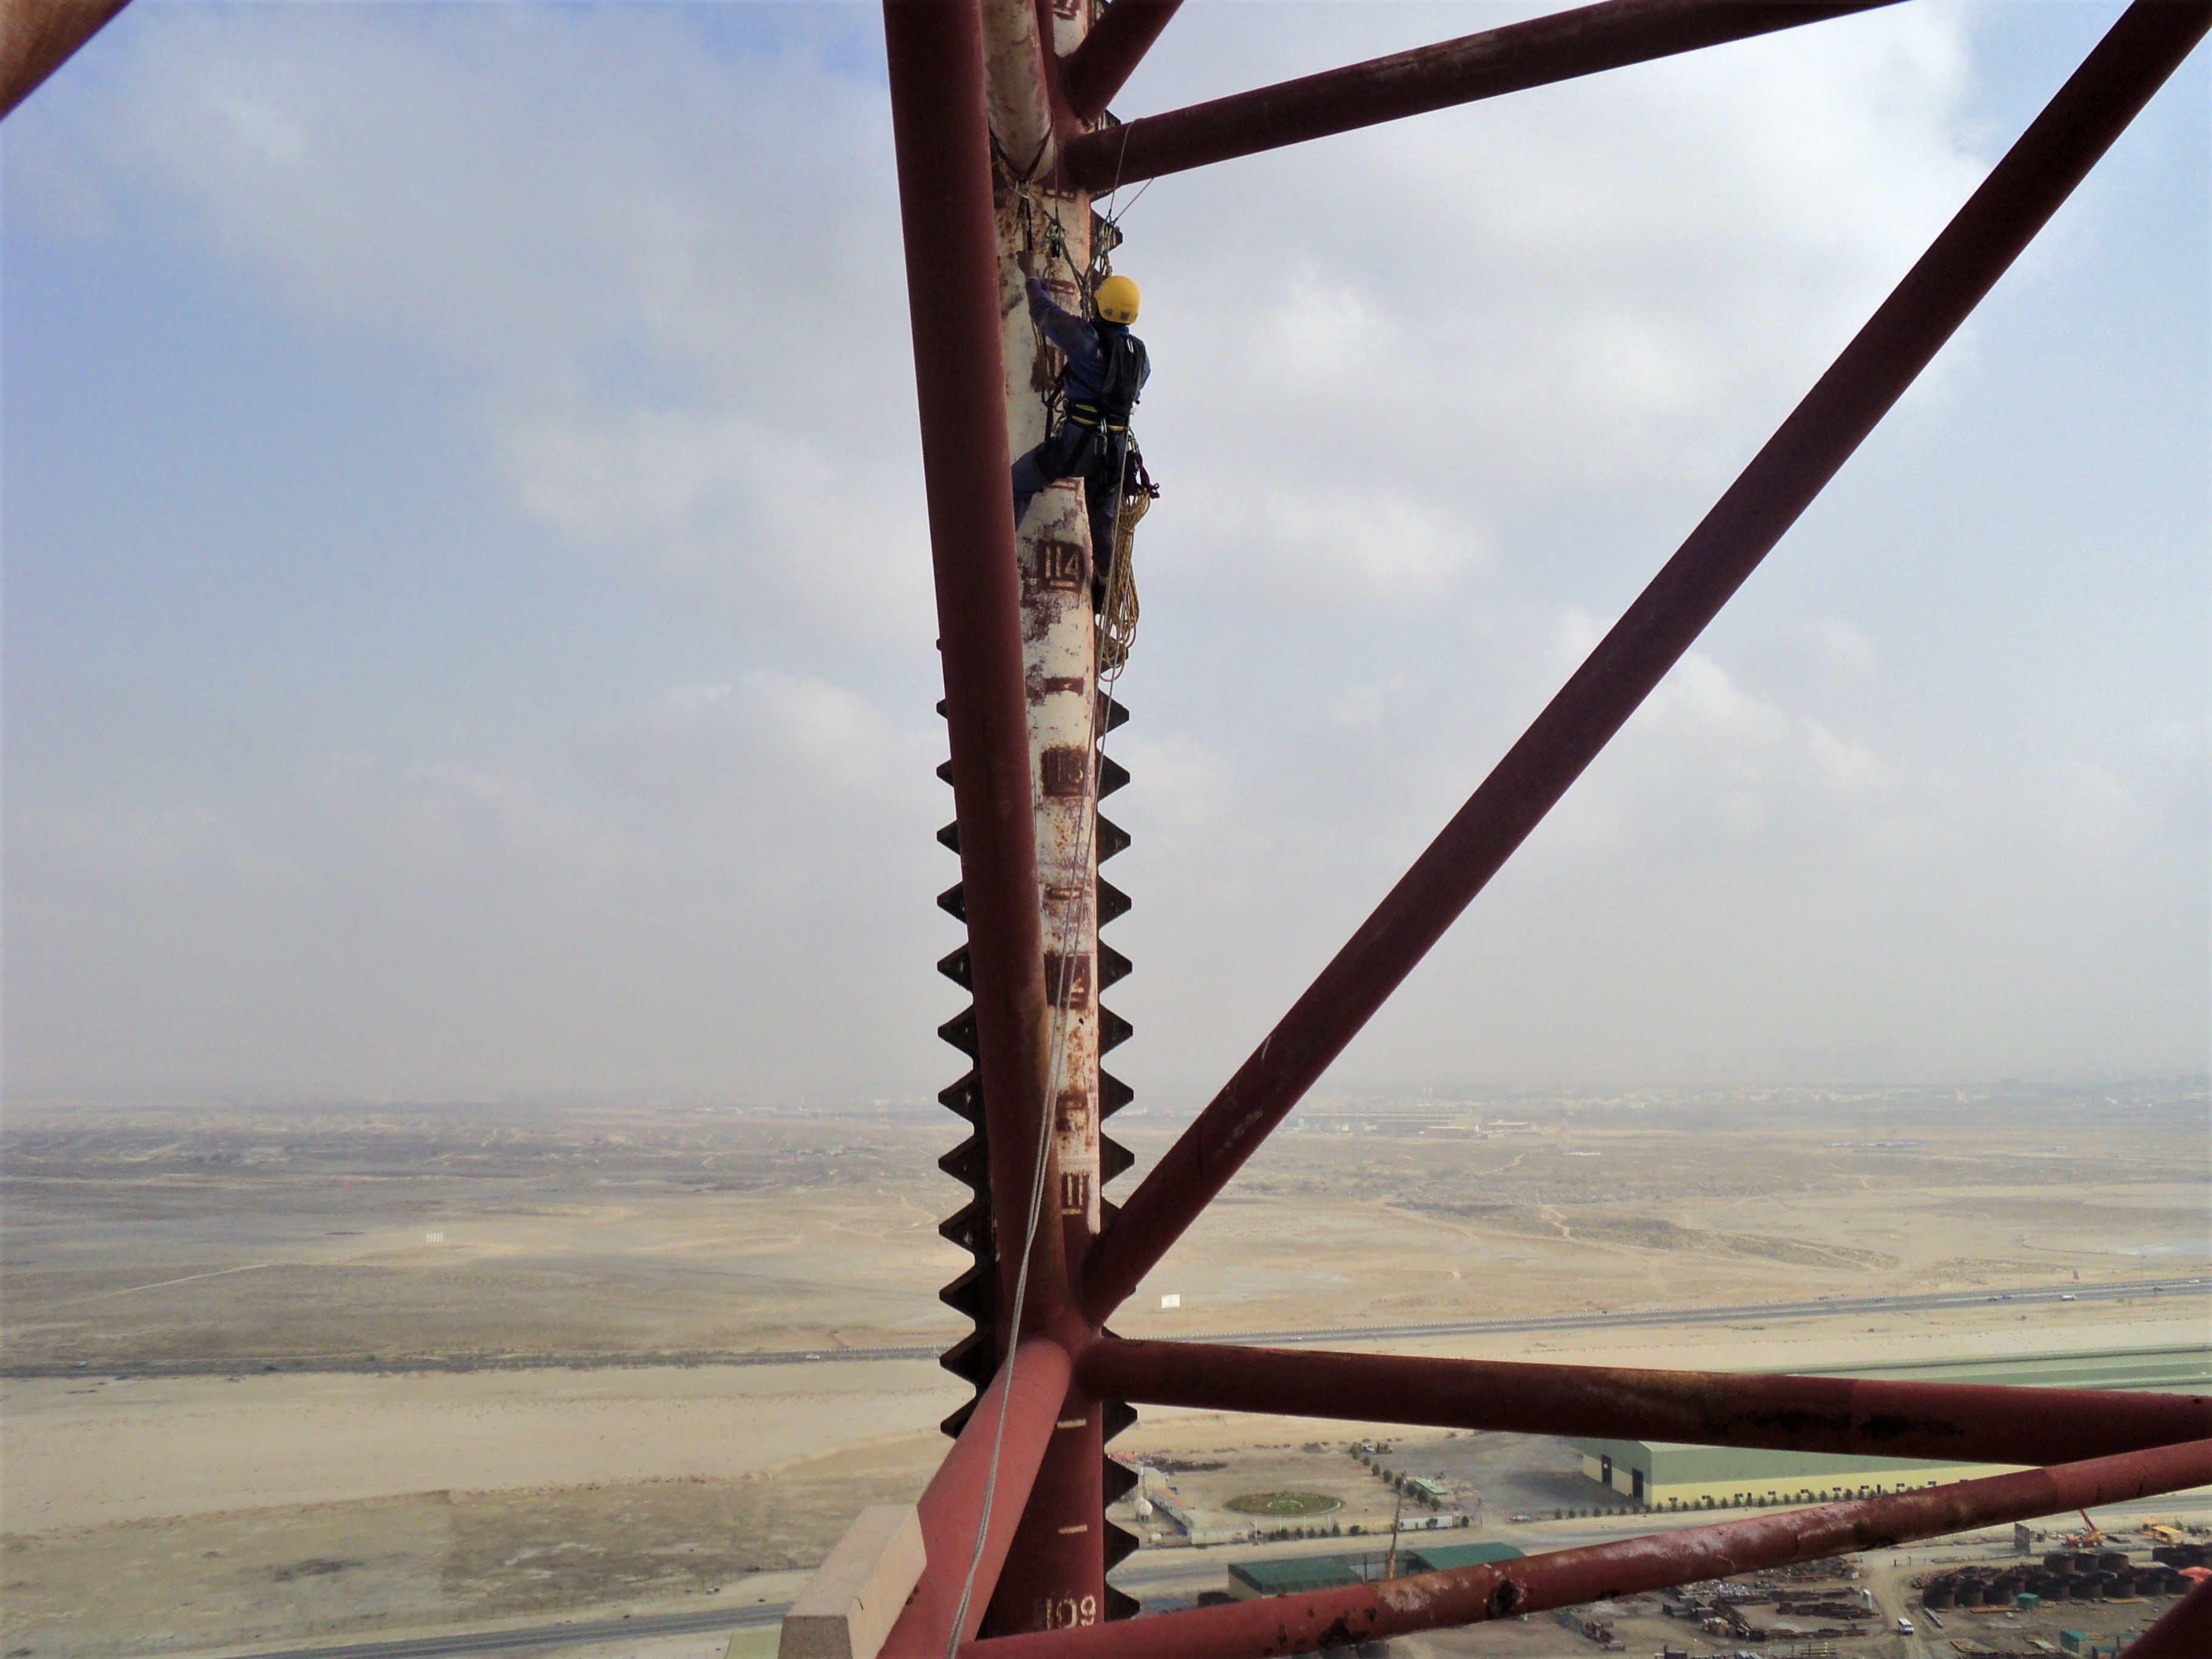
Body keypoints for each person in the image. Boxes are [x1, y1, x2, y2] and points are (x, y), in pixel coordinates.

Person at [1009, 272, 1148, 605]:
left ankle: (996, 553)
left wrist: (1033, 281)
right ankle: (1103, 581)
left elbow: (1045, 314)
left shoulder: (1086, 340)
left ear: (1101, 304)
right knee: (1104, 520)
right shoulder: (1140, 356)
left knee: (1017, 483)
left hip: (1078, 443)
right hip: (1115, 451)